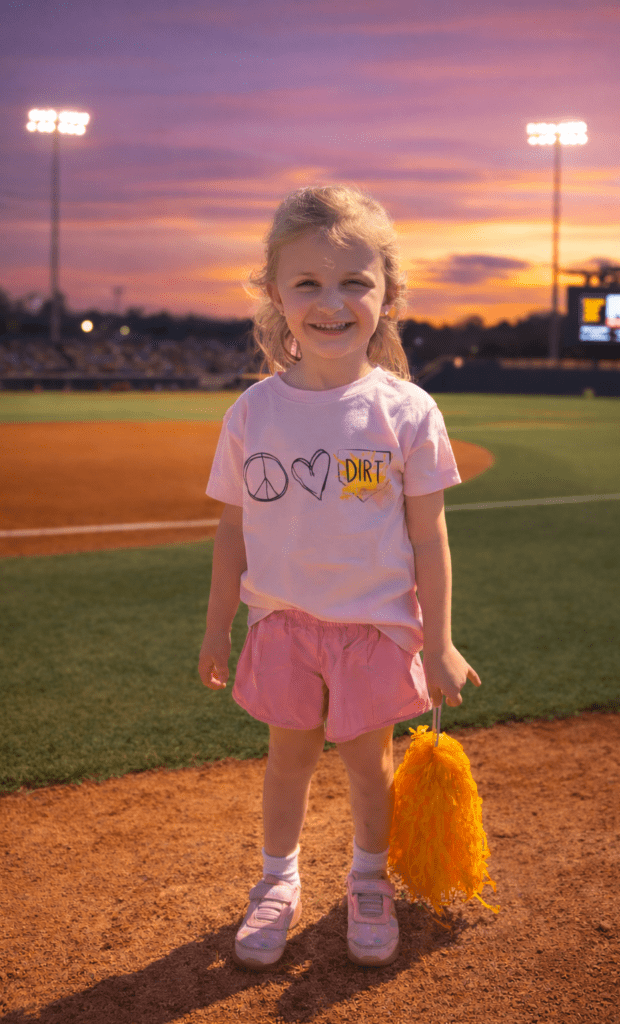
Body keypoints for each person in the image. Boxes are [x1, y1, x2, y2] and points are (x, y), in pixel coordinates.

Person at [198, 184, 481, 970]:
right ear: (274, 294)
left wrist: (440, 643)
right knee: (286, 759)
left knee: (367, 764)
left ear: (387, 294)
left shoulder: (407, 410)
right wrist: (219, 624)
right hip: (283, 626)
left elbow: (430, 539)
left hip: (373, 631)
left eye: (355, 281)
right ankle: (276, 881)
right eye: (308, 283)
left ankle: (366, 881)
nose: (332, 302)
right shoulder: (251, 413)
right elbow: (231, 531)